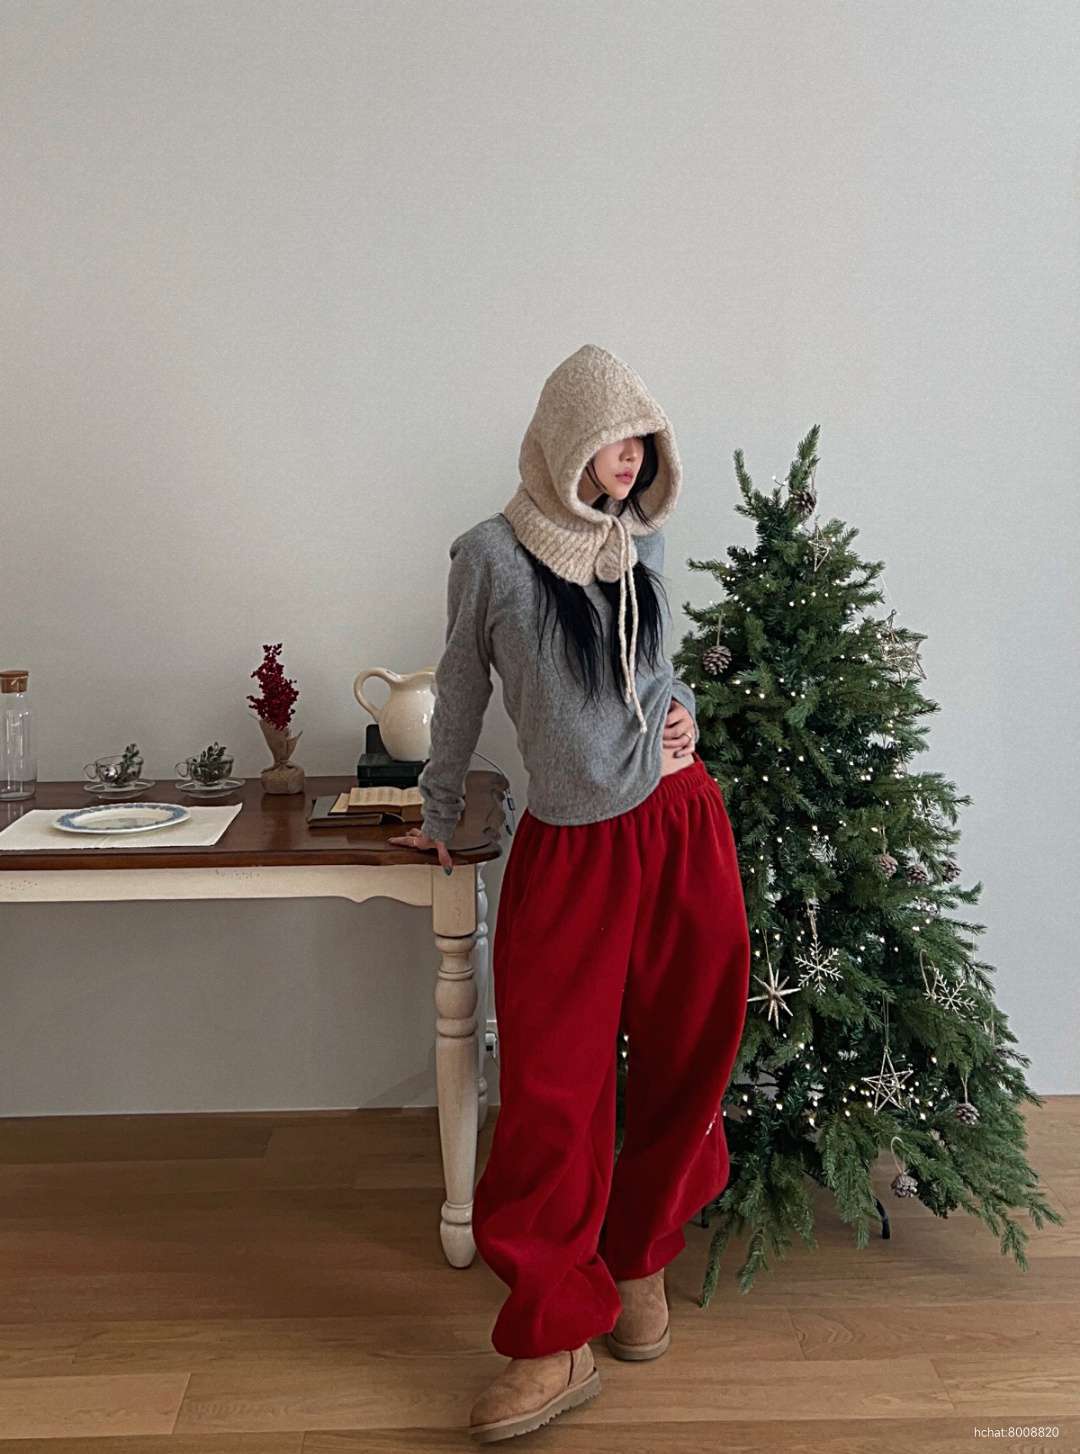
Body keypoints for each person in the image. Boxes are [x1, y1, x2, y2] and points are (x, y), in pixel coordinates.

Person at [387, 343, 751, 1443]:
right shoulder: (490, 555)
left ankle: (637, 1256)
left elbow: (655, 672)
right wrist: (439, 805)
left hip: (680, 825)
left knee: (691, 1048)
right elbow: (460, 687)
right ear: (563, 440)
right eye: (610, 437)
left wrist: (685, 716)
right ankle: (553, 1333)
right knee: (554, 1092)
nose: (629, 457)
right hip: (574, 851)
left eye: (642, 438)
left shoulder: (642, 542)